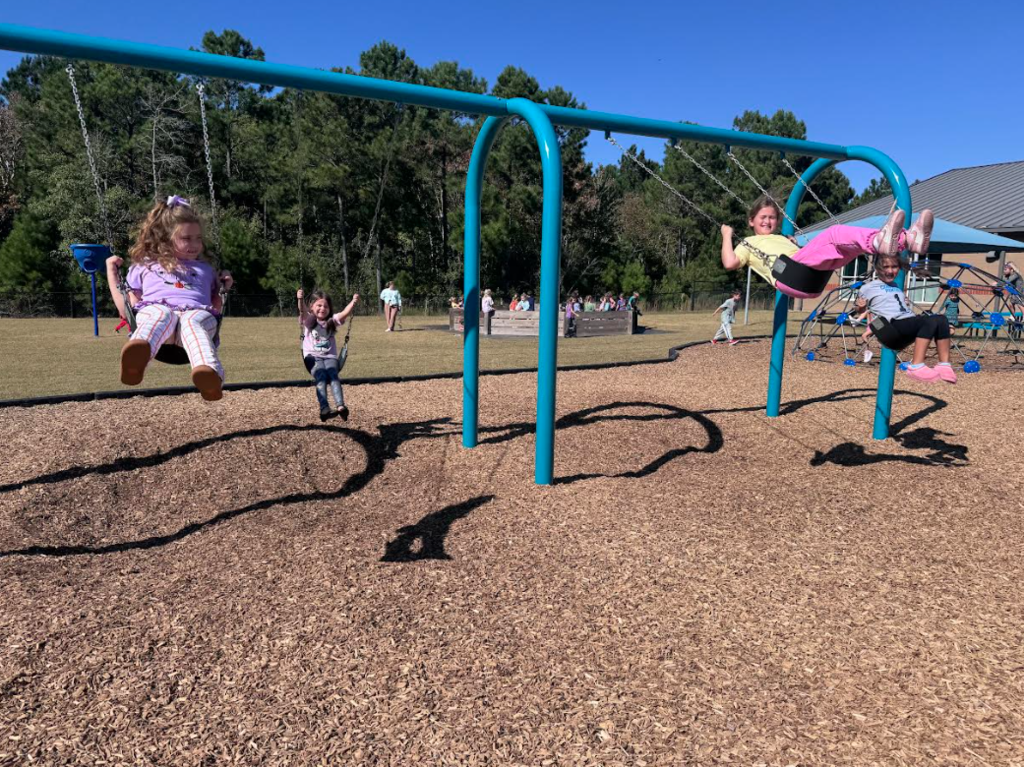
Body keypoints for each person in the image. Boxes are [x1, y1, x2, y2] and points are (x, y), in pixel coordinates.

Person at [105, 195, 233, 401]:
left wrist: (225, 286)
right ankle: (135, 362)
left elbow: (215, 307)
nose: (195, 244)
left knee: (192, 321)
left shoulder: (207, 270)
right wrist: (111, 272)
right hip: (157, 322)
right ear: (165, 238)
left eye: (198, 238)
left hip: (195, 318)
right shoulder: (145, 266)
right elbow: (126, 308)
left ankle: (209, 376)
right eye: (186, 238)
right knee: (160, 313)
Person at [721, 197, 935, 299]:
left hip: (812, 274)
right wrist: (726, 236)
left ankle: (907, 241)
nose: (768, 221)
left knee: (847, 247)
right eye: (763, 218)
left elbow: (806, 252)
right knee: (835, 233)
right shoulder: (748, 242)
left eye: (772, 217)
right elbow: (730, 263)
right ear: (751, 221)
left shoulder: (782, 238)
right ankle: (882, 241)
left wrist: (792, 244)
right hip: (792, 274)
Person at [858, 252, 956, 383]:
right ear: (877, 269)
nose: (890, 271)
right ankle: (916, 365)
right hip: (891, 328)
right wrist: (861, 307)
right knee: (930, 320)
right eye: (886, 267)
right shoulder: (868, 288)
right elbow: (860, 311)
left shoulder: (895, 286)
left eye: (894, 267)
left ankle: (944, 365)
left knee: (941, 319)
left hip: (904, 323)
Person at [297, 288, 359, 421]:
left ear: (329, 308)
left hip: (330, 357)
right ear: (312, 307)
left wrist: (353, 302)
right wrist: (300, 299)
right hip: (312, 357)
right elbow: (301, 309)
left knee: (333, 376)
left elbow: (344, 313)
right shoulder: (309, 320)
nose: (322, 308)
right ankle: (324, 408)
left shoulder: (332, 321)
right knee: (321, 376)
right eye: (319, 305)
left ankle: (341, 406)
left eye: (325, 306)